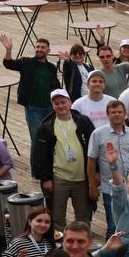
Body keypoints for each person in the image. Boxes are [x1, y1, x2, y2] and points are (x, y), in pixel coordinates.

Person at [31, 89, 95, 227]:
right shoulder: (45, 127)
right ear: (53, 106)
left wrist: (96, 172)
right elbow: (39, 154)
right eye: (56, 103)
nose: (60, 106)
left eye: (63, 102)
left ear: (70, 102)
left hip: (82, 177)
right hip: (59, 177)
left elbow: (94, 148)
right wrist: (45, 178)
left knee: (83, 217)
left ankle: (82, 239)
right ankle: (58, 240)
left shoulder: (83, 121)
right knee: (57, 218)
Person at [86, 99, 129, 234]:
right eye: (113, 112)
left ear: (125, 114)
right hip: (110, 187)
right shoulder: (98, 134)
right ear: (107, 114)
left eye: (120, 112)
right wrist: (92, 186)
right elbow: (91, 161)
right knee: (113, 225)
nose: (117, 114)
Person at [0, 34, 60, 142]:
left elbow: (56, 86)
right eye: (37, 47)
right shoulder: (26, 62)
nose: (39, 49)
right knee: (37, 140)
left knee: (51, 138)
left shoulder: (51, 67)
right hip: (33, 108)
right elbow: (8, 64)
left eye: (43, 47)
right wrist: (8, 50)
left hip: (50, 108)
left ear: (48, 50)